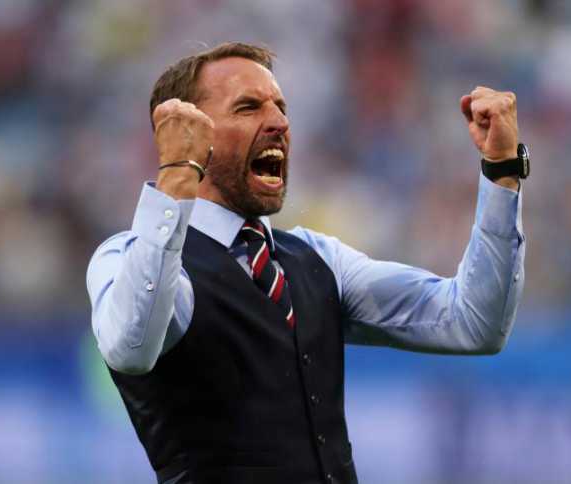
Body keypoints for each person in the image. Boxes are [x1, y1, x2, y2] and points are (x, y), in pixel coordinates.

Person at [86, 42, 526, 484]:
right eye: (248, 107)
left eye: (281, 108)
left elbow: (473, 322)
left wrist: (502, 172)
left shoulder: (317, 259)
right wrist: (177, 176)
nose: (279, 123)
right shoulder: (126, 257)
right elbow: (133, 348)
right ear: (190, 134)